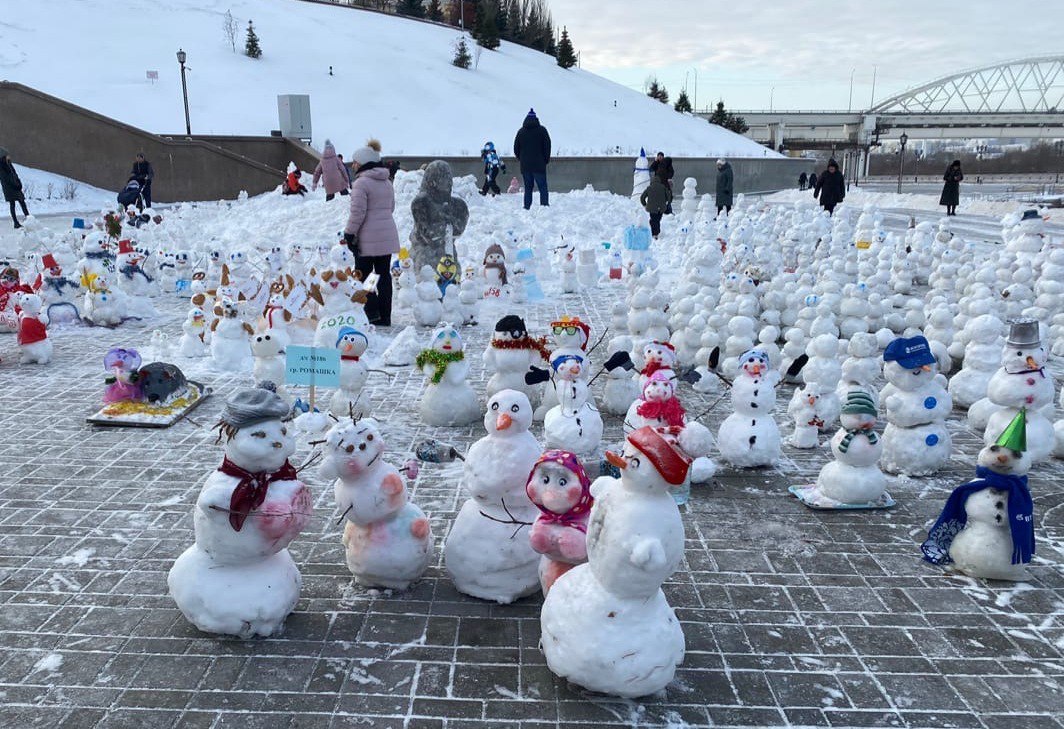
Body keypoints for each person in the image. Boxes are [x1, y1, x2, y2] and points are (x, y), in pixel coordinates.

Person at [343, 140, 399, 327]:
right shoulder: (387, 182)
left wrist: (349, 234)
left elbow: (357, 213)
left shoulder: (361, 183)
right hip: (387, 234)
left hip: (366, 237)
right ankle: (386, 316)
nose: (353, 165)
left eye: (355, 162)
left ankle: (372, 311)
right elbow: (391, 207)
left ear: (364, 163)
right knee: (383, 274)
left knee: (364, 274)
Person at [513, 108, 551, 209]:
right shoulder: (542, 130)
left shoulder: (521, 131)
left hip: (525, 166)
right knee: (542, 187)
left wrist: (521, 159)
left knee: (528, 187)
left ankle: (527, 206)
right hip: (539, 165)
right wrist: (545, 159)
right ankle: (544, 206)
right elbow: (547, 146)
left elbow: (516, 148)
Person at [0, 148, 29, 229]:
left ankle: (29, 218)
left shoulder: (9, 164)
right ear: (4, 156)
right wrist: (14, 185)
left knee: (22, 202)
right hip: (9, 188)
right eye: (7, 155)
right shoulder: (2, 166)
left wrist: (19, 182)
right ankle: (16, 223)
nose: (9, 156)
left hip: (16, 186)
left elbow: (14, 174)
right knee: (12, 204)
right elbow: (5, 178)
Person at [640, 169, 672, 239]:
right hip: (661, 208)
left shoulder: (649, 188)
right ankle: (656, 233)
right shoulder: (663, 187)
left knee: (653, 220)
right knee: (657, 220)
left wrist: (644, 204)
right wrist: (667, 202)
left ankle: (655, 233)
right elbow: (669, 196)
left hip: (652, 208)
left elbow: (642, 197)